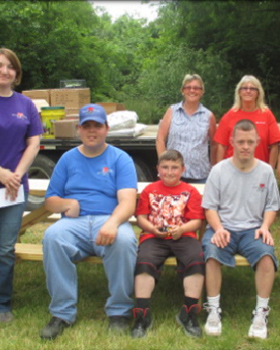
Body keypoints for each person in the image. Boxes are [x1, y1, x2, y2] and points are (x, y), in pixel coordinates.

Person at [40, 104, 138, 340]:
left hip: (108, 218)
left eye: (97, 125)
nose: (92, 131)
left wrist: (113, 223)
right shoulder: (67, 159)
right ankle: (62, 313)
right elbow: (49, 201)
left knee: (124, 240)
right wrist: (65, 204)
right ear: (79, 129)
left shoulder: (120, 158)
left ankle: (119, 311)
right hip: (75, 224)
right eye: (87, 126)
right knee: (52, 237)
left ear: (106, 128)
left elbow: (128, 202)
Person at [202, 119, 280, 339]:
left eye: (249, 141)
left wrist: (265, 227)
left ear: (257, 142)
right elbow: (209, 207)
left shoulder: (265, 171)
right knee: (212, 254)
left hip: (253, 230)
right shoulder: (218, 171)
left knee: (266, 256)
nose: (245, 146)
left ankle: (260, 313)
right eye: (241, 141)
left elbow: (272, 205)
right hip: (223, 227)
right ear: (231, 142)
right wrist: (217, 229)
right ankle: (213, 310)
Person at [131, 149, 205, 339]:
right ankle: (142, 315)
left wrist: (182, 229)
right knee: (144, 262)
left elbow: (197, 221)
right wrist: (152, 229)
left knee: (196, 260)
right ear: (158, 169)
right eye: (165, 167)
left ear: (182, 169)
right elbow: (141, 218)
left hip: (184, 235)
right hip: (153, 236)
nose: (169, 172)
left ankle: (188, 313)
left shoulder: (191, 191)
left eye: (174, 168)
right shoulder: (149, 190)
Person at [0, 48, 42, 323]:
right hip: (4, 179)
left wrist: (14, 175)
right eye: (0, 66)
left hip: (14, 187)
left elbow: (34, 142)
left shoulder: (26, 104)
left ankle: (3, 304)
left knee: (5, 248)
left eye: (10, 67)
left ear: (16, 72)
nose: (4, 71)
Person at [156, 73, 217, 183]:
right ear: (182, 91)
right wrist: (164, 166)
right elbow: (160, 139)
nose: (192, 91)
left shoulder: (209, 116)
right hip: (173, 175)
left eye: (196, 88)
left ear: (202, 91)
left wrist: (214, 168)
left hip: (200, 176)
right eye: (188, 87)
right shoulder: (172, 111)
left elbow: (214, 145)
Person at [215, 75, 280, 172]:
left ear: (258, 93)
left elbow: (274, 144)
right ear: (239, 92)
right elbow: (221, 145)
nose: (248, 91)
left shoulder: (267, 115)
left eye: (252, 88)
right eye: (244, 88)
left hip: (259, 171)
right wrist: (219, 170)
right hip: (233, 171)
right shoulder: (230, 115)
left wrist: (270, 170)